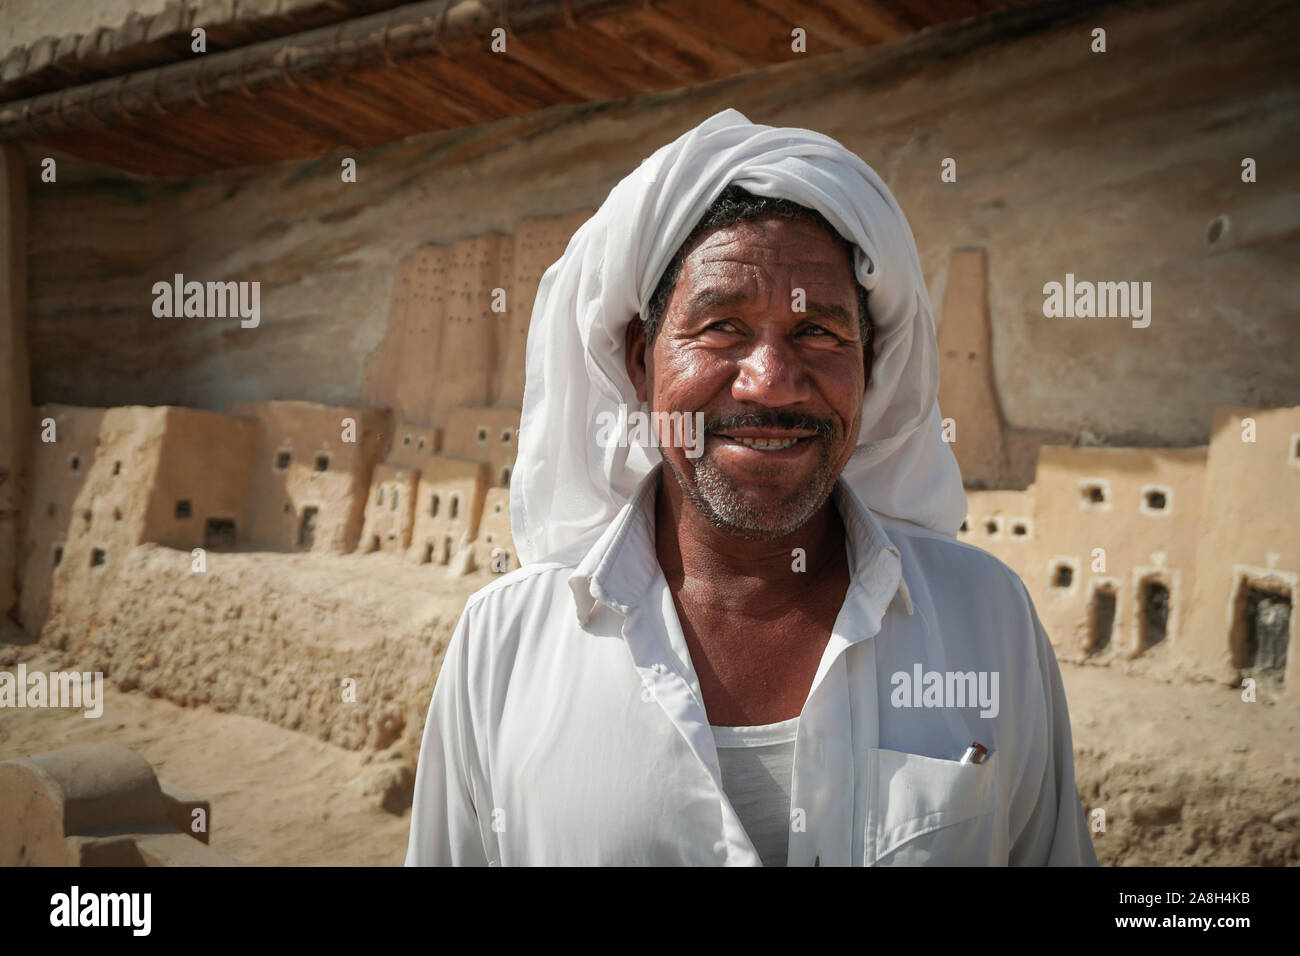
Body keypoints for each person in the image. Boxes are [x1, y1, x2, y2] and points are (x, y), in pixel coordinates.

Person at [405, 109, 1097, 866]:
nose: (769, 383)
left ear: (873, 367)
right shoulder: (503, 647)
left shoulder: (987, 621)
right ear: (641, 361)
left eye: (817, 333)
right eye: (722, 329)